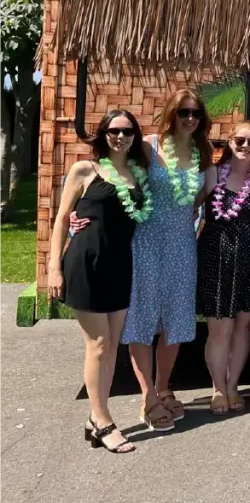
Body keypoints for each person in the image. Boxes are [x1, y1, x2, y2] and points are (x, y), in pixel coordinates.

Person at [48, 110, 153, 453]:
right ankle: (104, 421)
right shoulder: (85, 170)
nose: (119, 137)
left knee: (111, 348)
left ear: (135, 136)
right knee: (98, 346)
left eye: (126, 131)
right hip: (87, 263)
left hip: (120, 265)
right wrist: (53, 268)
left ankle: (96, 418)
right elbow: (63, 219)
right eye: (112, 131)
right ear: (102, 134)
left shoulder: (139, 174)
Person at [121, 89, 212, 432]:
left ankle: (163, 387)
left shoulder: (203, 153)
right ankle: (147, 398)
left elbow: (203, 197)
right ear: (171, 113)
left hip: (182, 244)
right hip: (145, 242)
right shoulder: (148, 146)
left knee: (175, 320)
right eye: (183, 112)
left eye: (195, 114)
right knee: (142, 318)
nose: (189, 119)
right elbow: (116, 177)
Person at [195, 120, 250, 415]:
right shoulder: (213, 174)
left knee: (243, 325)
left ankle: (234, 384)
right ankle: (217, 387)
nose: (246, 147)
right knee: (220, 328)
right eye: (240, 140)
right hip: (217, 256)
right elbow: (189, 205)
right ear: (229, 141)